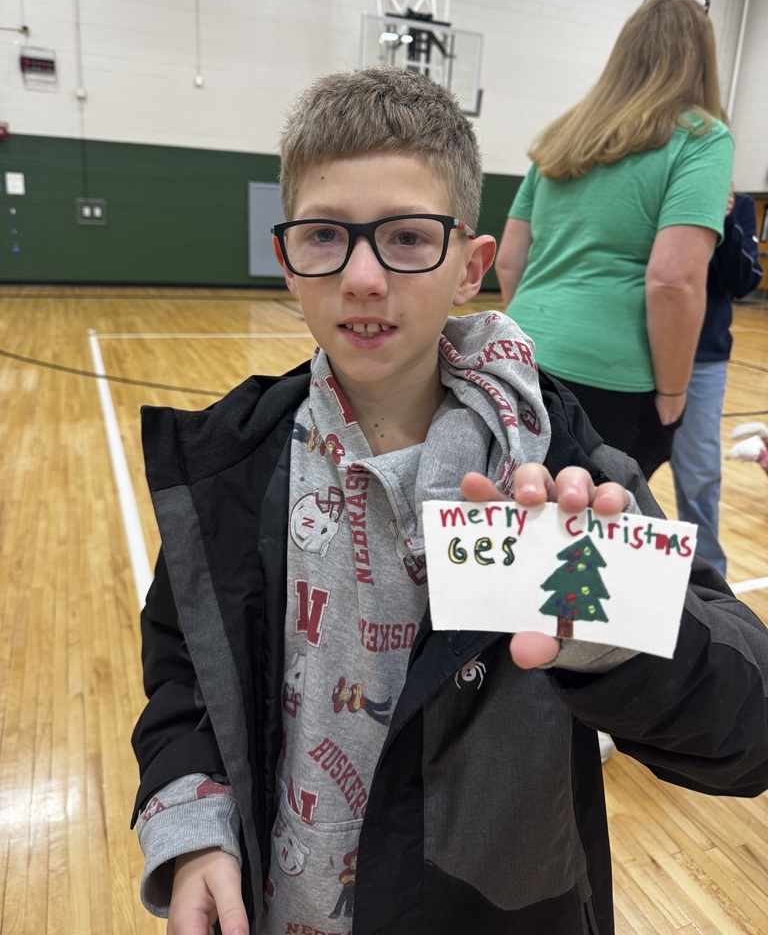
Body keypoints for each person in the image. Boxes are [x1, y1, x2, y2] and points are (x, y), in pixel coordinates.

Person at [131, 66, 768, 935]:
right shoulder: (233, 470)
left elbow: (749, 728)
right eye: (324, 236)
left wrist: (615, 639)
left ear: (471, 267)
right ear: (287, 261)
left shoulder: (562, 466)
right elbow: (185, 672)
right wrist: (196, 829)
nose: (362, 276)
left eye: (406, 237)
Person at [495, 0, 734, 480]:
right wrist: (673, 392)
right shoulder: (702, 138)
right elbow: (673, 280)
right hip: (614, 379)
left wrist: (542, 334)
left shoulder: (564, 134)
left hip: (521, 352)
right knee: (593, 523)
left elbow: (510, 258)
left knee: (519, 505)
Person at [670, 191, 762, 576]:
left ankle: (710, 581)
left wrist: (725, 221)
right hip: (633, 353)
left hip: (703, 359)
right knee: (615, 462)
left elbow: (743, 281)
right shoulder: (658, 190)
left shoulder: (739, 205)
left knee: (699, 476)